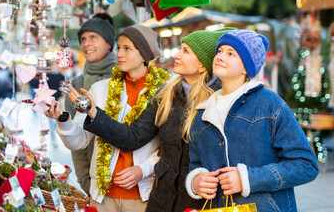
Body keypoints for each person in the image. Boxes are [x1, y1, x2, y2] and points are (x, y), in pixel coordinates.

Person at [69, 28, 236, 212]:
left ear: (202, 66)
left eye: (186, 51)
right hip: (162, 202)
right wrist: (93, 111)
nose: (177, 55)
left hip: (201, 203)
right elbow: (131, 138)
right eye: (180, 49)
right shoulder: (166, 93)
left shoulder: (223, 99)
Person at [185, 29, 319, 211]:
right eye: (220, 51)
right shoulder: (202, 113)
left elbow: (306, 165)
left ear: (246, 68)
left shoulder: (270, 104)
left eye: (231, 53)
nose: (221, 56)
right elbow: (196, 165)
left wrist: (248, 178)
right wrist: (196, 181)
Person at [46, 25, 170, 211]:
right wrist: (63, 121)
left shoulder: (164, 92)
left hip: (143, 196)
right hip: (102, 197)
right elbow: (79, 140)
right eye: (119, 47)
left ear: (144, 55)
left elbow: (167, 147)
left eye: (127, 48)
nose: (119, 53)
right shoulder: (100, 88)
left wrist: (143, 169)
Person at [66, 13, 117, 195]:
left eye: (93, 37)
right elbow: (74, 137)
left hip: (128, 179)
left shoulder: (125, 77)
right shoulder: (75, 86)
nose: (86, 43)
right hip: (94, 183)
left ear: (109, 43)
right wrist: (85, 180)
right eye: (83, 39)